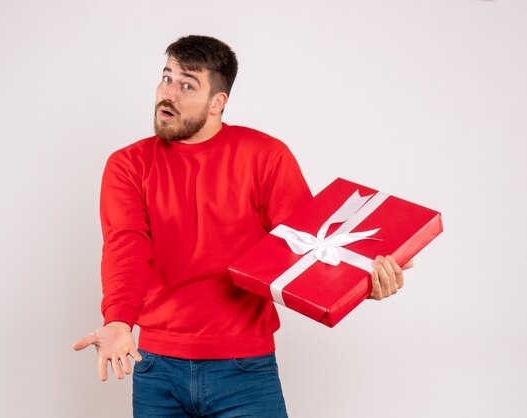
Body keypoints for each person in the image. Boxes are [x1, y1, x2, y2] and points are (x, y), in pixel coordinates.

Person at [73, 35, 412, 417]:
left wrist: (362, 280)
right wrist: (118, 321)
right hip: (156, 368)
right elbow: (126, 247)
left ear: (218, 102)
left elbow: (306, 247)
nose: (168, 93)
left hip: (245, 370)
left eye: (187, 85)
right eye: (166, 77)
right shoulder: (128, 164)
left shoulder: (266, 156)